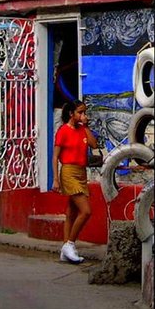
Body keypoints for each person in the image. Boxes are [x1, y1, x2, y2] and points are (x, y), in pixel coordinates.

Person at [55, 100, 96, 265]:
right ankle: (70, 243)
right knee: (85, 211)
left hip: (81, 172)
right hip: (68, 172)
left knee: (71, 211)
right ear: (72, 113)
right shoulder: (63, 131)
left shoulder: (82, 130)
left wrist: (85, 126)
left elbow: (93, 144)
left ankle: (66, 248)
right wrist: (56, 180)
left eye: (84, 113)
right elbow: (55, 156)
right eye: (80, 112)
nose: (83, 115)